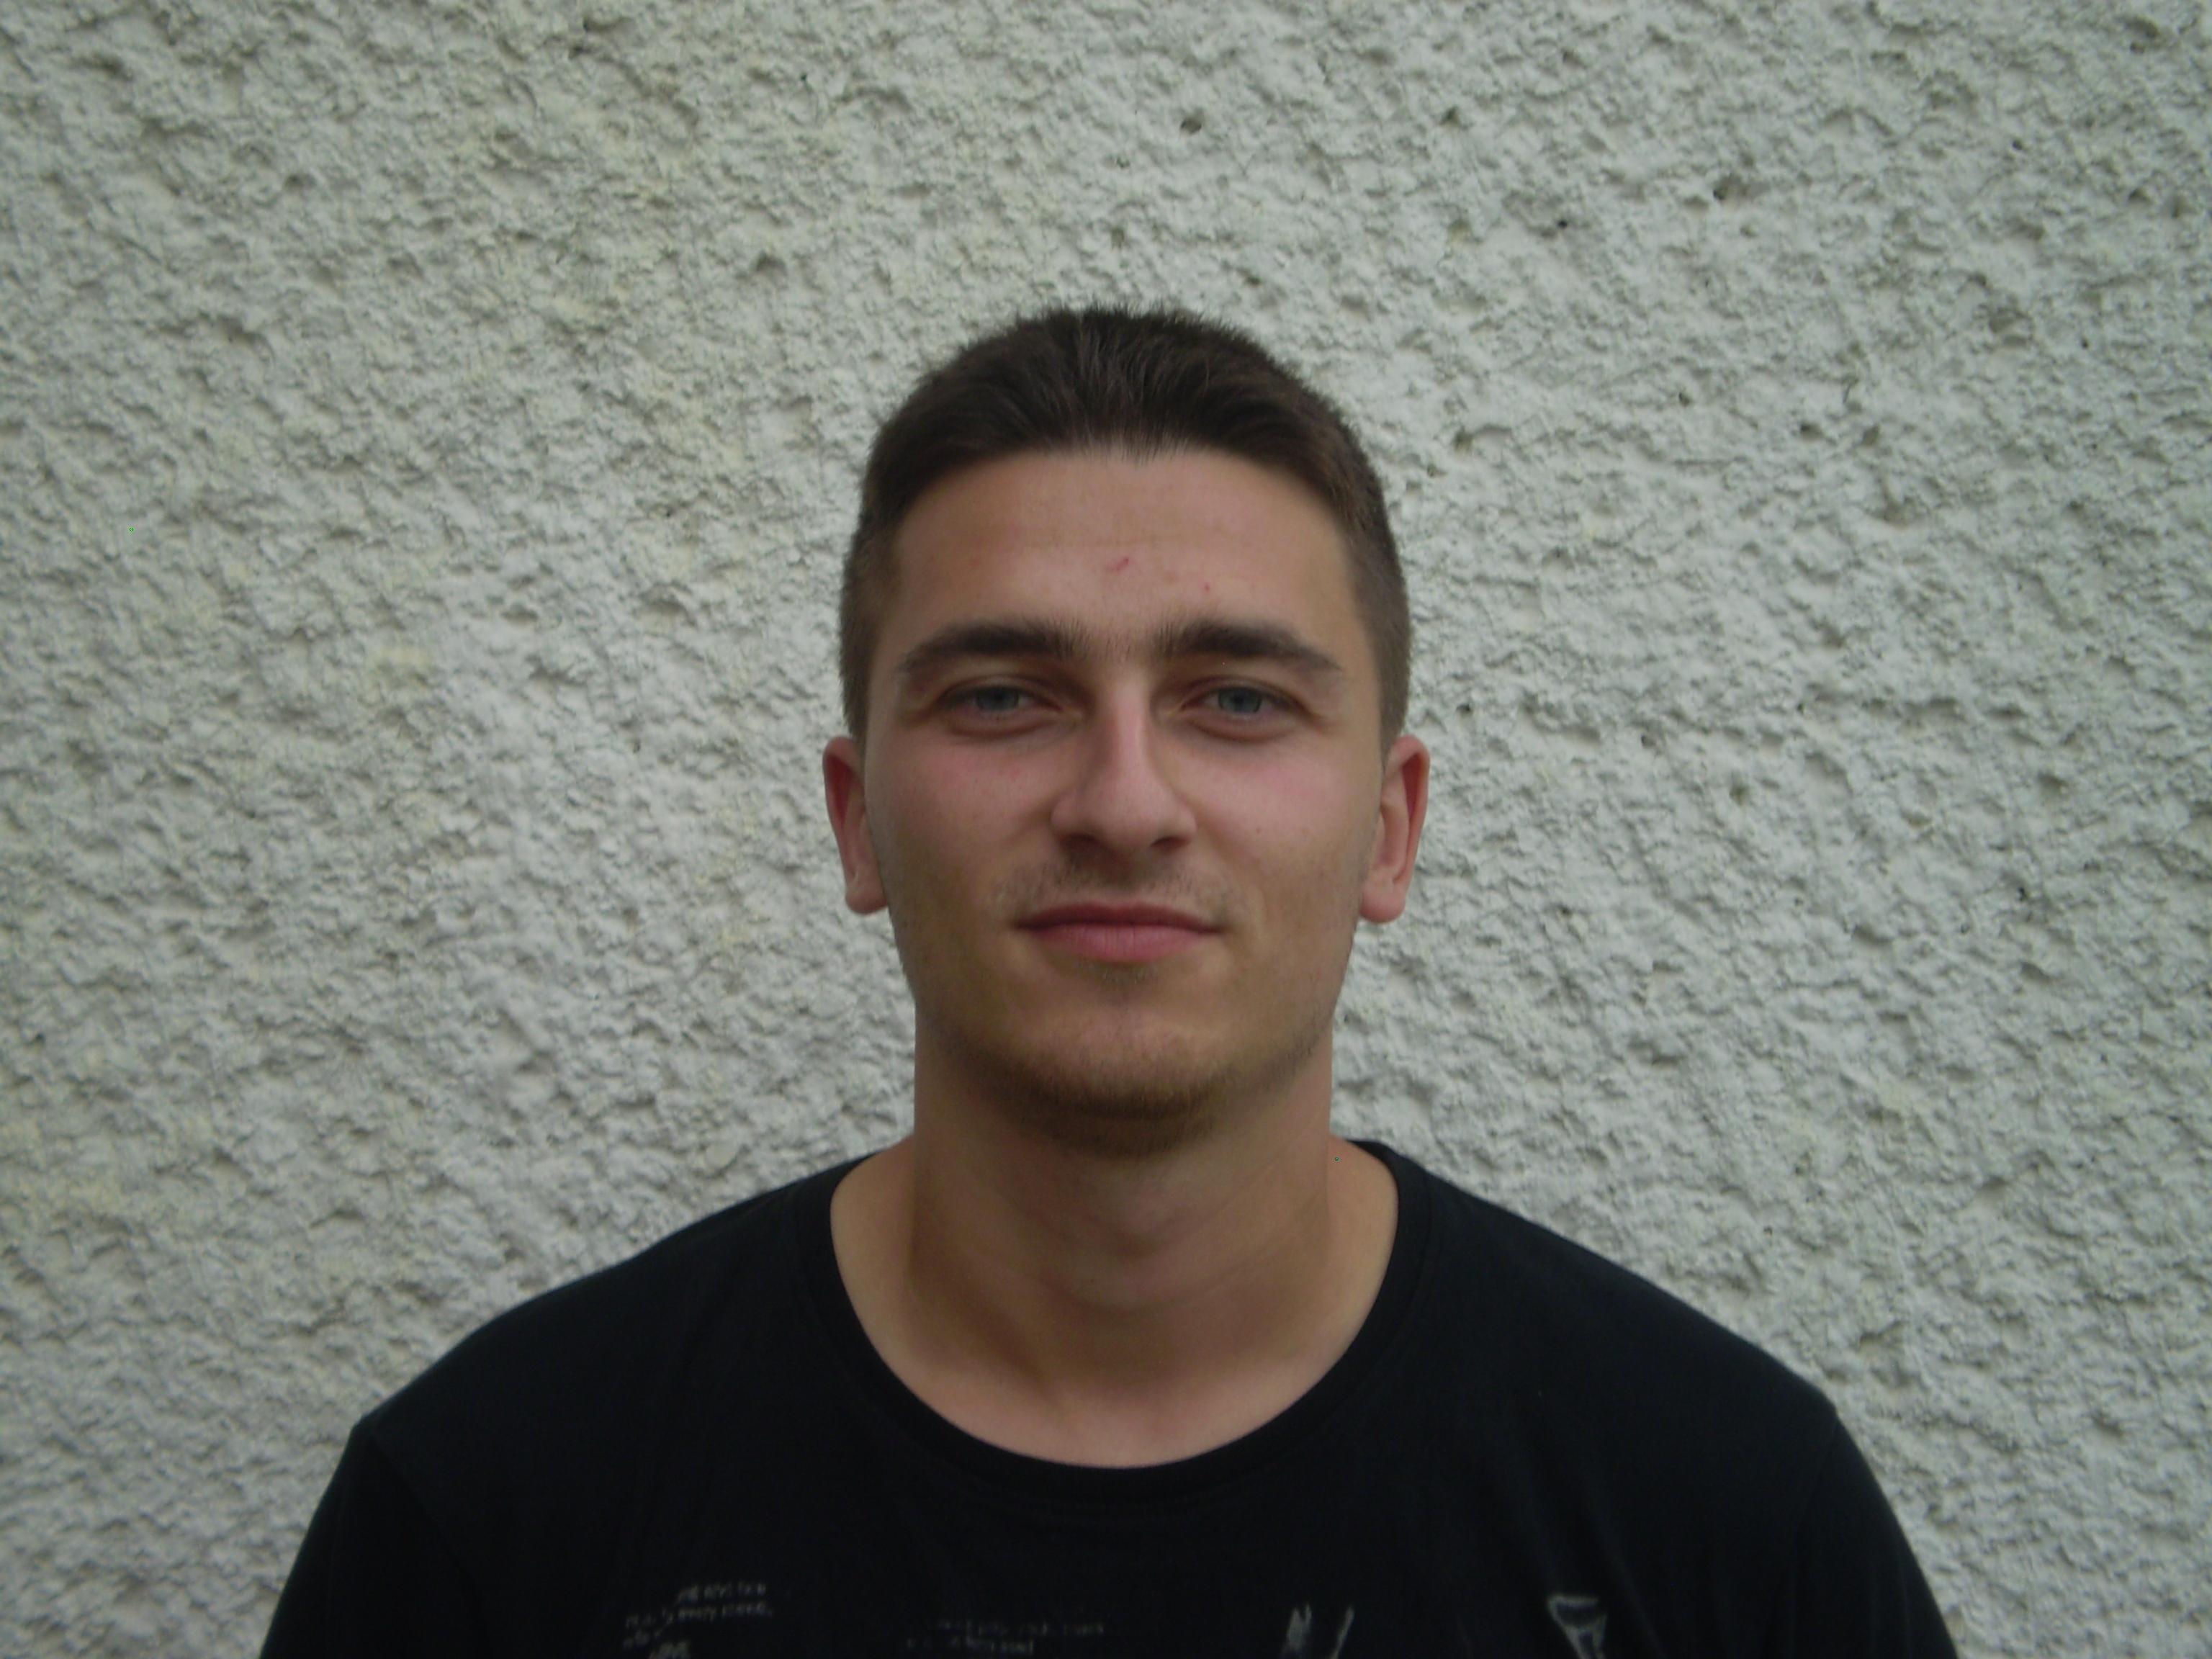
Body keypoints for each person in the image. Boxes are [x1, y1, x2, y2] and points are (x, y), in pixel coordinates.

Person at [264, 308, 1956, 1657]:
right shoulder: (491, 1515)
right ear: (858, 820)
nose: (1125, 804)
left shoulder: (1729, 1522)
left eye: (1238, 699)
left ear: (1389, 828)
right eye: (1005, 696)